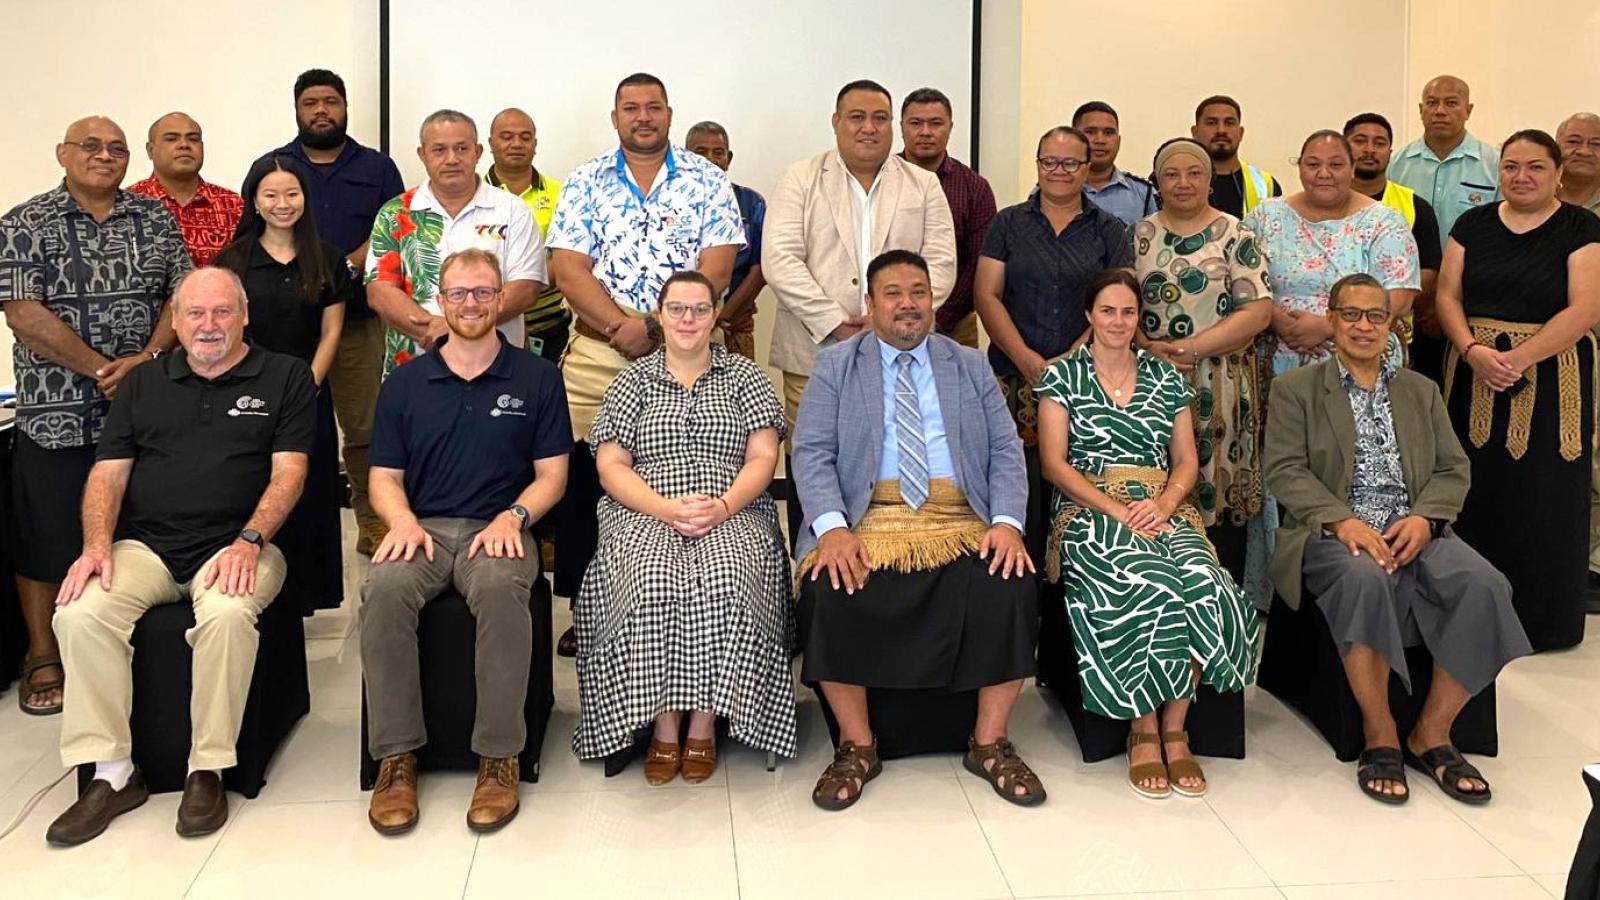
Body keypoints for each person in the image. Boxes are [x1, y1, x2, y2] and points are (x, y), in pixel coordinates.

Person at [45, 267, 315, 845]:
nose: (209, 325)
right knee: (79, 612)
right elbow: (107, 475)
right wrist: (96, 546)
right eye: (195, 313)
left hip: (241, 546)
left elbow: (290, 473)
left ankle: (208, 768)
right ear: (175, 320)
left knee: (224, 615)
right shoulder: (143, 384)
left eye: (222, 312)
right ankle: (112, 772)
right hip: (146, 547)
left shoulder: (284, 376)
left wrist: (249, 540)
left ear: (244, 316)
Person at [1264, 272, 1530, 806]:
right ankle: (1380, 732)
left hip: (1415, 529)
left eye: (1376, 316)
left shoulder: (1420, 391)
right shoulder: (1296, 389)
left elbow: (1454, 469)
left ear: (1392, 324)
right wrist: (1342, 521)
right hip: (1334, 532)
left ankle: (1431, 732)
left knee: (1485, 584)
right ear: (1333, 320)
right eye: (1352, 315)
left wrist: (1426, 520)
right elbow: (1285, 471)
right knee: (1363, 577)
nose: (1364, 326)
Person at [794, 249, 1042, 811]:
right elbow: (810, 453)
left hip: (957, 514)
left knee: (1008, 584)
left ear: (932, 300)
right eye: (893, 294)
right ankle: (857, 746)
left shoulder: (968, 364)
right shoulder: (837, 365)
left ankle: (990, 741)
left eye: (918, 293)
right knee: (830, 590)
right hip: (869, 514)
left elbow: (1006, 450)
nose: (908, 305)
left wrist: (1005, 523)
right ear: (870, 304)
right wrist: (831, 530)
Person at [361, 249, 571, 835]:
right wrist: (400, 522)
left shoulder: (537, 377)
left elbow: (553, 474)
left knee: (505, 593)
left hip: (499, 528)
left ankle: (498, 758)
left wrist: (515, 517)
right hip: (421, 527)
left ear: (501, 299)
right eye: (459, 293)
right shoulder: (405, 384)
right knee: (382, 591)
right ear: (441, 300)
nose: (472, 303)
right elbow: (383, 478)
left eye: (483, 292)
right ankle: (397, 759)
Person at [1035, 269, 1258, 799]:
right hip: (1090, 508)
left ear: (1140, 319)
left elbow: (1184, 460)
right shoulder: (1061, 377)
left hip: (1162, 508)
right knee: (1147, 581)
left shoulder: (1165, 378)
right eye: (1107, 311)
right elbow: (1052, 465)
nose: (1117, 321)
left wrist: (1162, 503)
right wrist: (1116, 508)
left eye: (1128, 313)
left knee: (1206, 581)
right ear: (1089, 315)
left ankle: (1174, 728)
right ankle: (1140, 726)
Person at [545, 72, 745, 654]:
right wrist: (619, 327)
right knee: (587, 482)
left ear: (669, 113)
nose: (643, 117)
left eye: (653, 107)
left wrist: (657, 327)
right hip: (599, 353)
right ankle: (589, 610)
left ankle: (700, 597)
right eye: (630, 108)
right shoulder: (585, 181)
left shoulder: (708, 181)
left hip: (693, 349)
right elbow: (568, 270)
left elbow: (719, 268)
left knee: (694, 467)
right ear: (615, 117)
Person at [0, 117, 190, 717]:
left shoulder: (153, 218)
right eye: (91, 146)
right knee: (46, 534)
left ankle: (124, 645)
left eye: (116, 148)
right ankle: (42, 653)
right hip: (54, 411)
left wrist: (148, 359)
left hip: (145, 411)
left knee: (136, 533)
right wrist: (99, 367)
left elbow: (182, 292)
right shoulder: (25, 222)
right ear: (62, 154)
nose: (104, 156)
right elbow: (21, 311)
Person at [572, 272, 794, 782]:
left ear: (716, 314)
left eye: (699, 309)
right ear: (660, 314)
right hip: (645, 508)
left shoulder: (745, 377)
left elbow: (763, 456)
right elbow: (611, 467)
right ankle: (663, 726)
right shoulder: (632, 380)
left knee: (727, 575)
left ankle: (704, 725)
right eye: (677, 309)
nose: (688, 320)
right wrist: (665, 509)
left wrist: (722, 505)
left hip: (733, 506)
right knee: (651, 578)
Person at [766, 79, 957, 548]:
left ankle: (887, 563)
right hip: (814, 351)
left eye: (879, 118)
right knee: (815, 460)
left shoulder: (923, 183)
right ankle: (810, 569)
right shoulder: (801, 177)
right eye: (857, 117)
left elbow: (941, 261)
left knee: (883, 458)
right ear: (836, 122)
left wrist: (889, 320)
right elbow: (780, 258)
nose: (868, 128)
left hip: (902, 353)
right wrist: (834, 319)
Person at [1435, 130, 1600, 652]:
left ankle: (1541, 621)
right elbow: (1447, 294)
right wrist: (1472, 351)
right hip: (1472, 370)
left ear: (1555, 173)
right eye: (1510, 167)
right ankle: (1471, 614)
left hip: (1552, 376)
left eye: (1534, 167)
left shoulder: (1581, 226)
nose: (1521, 177)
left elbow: (1585, 308)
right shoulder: (1473, 224)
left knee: (1545, 494)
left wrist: (1521, 358)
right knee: (1477, 490)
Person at [256, 69, 406, 557]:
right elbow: (254, 235)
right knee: (287, 426)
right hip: (286, 330)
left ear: (344, 107)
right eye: (310, 103)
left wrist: (336, 268)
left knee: (365, 427)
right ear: (296, 109)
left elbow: (392, 230)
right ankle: (281, 523)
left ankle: (372, 520)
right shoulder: (273, 166)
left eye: (331, 101)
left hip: (359, 320)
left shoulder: (377, 167)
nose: (321, 110)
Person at [974, 125, 1132, 560]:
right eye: (1049, 161)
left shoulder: (1110, 230)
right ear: (1038, 163)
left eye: (1070, 163)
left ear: (1087, 168)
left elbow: (1118, 302)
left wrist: (1070, 359)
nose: (1058, 171)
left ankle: (1070, 589)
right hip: (1013, 375)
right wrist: (1024, 357)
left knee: (1078, 482)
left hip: (1088, 380)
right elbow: (986, 295)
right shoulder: (1008, 223)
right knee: (1017, 483)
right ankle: (1020, 589)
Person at [1131, 138, 1273, 587]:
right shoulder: (1137, 234)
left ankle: (1222, 599)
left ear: (1210, 181)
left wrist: (1194, 348)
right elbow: (1117, 301)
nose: (1183, 182)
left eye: (1194, 173)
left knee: (1219, 493)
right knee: (1159, 484)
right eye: (1171, 174)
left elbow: (1258, 311)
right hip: (1150, 381)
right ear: (1157, 183)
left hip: (1221, 384)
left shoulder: (1237, 234)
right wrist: (1144, 345)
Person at [214, 156, 354, 613]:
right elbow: (228, 328)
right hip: (246, 392)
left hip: (307, 389)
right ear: (254, 199)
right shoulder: (234, 260)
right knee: (253, 489)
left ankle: (305, 595)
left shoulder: (327, 256)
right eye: (270, 195)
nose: (282, 204)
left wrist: (305, 387)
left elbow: (332, 330)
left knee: (308, 491)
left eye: (291, 193)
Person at [366, 110, 545, 374]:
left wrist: (451, 329)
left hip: (498, 368)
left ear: (478, 152)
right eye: (439, 150)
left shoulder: (512, 210)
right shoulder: (395, 213)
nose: (452, 159)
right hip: (414, 366)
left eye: (462, 148)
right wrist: (433, 331)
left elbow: (526, 287)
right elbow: (380, 292)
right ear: (422, 154)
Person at [1244, 130, 1420, 378]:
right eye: (1313, 164)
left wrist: (1326, 326)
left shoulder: (1384, 222)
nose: (1323, 173)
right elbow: (1241, 282)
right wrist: (1275, 319)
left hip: (1361, 362)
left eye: (1336, 165)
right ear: (1300, 168)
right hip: (1275, 360)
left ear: (1352, 169)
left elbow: (1400, 298)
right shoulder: (1264, 216)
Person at [1345, 113, 1446, 383]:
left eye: (1379, 143)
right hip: (1322, 334)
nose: (1369, 149)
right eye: (1360, 141)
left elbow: (1430, 273)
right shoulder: (1322, 203)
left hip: (1393, 337)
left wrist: (1372, 307)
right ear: (1345, 147)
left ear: (1390, 152)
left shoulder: (1414, 206)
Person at [900, 87, 997, 347]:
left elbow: (977, 266)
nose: (925, 132)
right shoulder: (881, 179)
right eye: (915, 123)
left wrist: (935, 316)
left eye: (935, 123)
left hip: (954, 324)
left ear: (951, 127)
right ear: (901, 127)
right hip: (888, 321)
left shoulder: (975, 188)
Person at [1555, 113, 1600, 613]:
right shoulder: (1541, 202)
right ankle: (1575, 561)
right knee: (1575, 454)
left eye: (1595, 142)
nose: (1584, 149)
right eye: (1574, 141)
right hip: (1557, 348)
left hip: (1592, 340)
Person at [484, 107, 570, 364]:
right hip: (488, 323)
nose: (516, 144)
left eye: (525, 137)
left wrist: (526, 287)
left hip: (550, 324)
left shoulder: (562, 193)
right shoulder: (474, 193)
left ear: (535, 143)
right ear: (490, 143)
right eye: (506, 137)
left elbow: (567, 256)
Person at [1388, 75, 1500, 250]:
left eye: (1451, 103)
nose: (1439, 111)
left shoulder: (1494, 164)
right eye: (1431, 103)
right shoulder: (1396, 165)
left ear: (1468, 110)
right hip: (1413, 272)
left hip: (1472, 271)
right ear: (1420, 109)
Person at [686, 120, 767, 360]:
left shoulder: (751, 203)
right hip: (682, 323)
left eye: (718, 152)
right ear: (685, 158)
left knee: (735, 395)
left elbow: (761, 269)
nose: (710, 159)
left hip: (733, 322)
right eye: (700, 152)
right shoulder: (672, 202)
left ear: (728, 158)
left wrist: (721, 317)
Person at [126, 112, 243, 267]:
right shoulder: (127, 205)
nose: (184, 145)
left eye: (193, 139)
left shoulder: (233, 206)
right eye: (171, 139)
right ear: (150, 150)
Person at [1191, 96, 1280, 218]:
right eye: (1211, 123)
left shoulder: (1265, 184)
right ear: (1195, 133)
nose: (1221, 130)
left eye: (1229, 123)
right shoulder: (1176, 182)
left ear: (1241, 133)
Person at [1074, 101, 1157, 226]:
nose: (1100, 140)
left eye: (1108, 133)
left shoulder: (1144, 193)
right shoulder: (1052, 191)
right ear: (1074, 138)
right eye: (1090, 132)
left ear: (1118, 141)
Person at [1557, 113, 1600, 214]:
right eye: (1573, 141)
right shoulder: (1534, 196)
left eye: (1596, 144)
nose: (1584, 152)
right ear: (1555, 147)